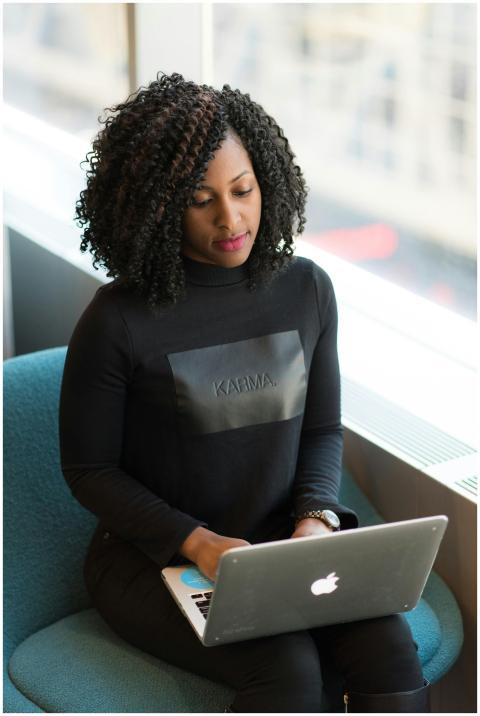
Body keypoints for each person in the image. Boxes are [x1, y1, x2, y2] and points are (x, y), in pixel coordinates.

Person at [59, 72, 429, 713]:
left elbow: (320, 430)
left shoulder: (307, 289)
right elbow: (90, 471)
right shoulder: (117, 319)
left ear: (267, 181)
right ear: (155, 208)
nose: (231, 219)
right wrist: (199, 542)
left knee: (387, 650)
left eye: (243, 190)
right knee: (287, 670)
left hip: (284, 548)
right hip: (156, 561)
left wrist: (314, 519)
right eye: (200, 200)